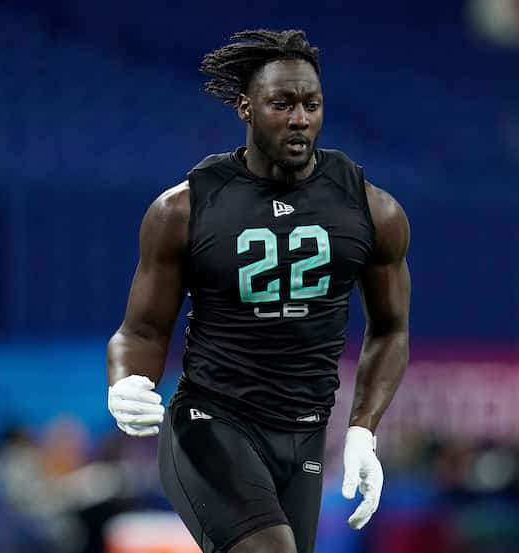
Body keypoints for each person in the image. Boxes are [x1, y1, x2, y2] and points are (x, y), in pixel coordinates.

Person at [106, 29, 410, 553]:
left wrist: (363, 429)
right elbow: (142, 328)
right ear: (246, 108)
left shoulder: (372, 209)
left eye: (311, 104)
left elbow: (391, 330)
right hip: (212, 424)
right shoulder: (184, 209)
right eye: (282, 103)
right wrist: (126, 380)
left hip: (305, 433)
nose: (300, 118)